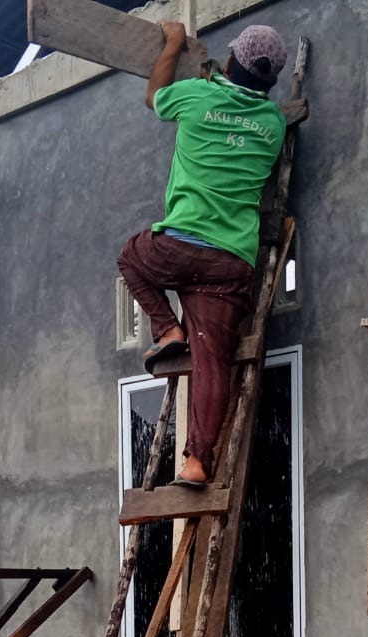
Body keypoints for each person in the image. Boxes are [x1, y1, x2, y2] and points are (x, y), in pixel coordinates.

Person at [117, 22, 289, 487]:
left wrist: (173, 44)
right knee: (214, 360)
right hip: (231, 261)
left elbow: (154, 96)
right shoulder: (273, 125)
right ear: (270, 81)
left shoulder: (196, 95)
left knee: (132, 257)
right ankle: (196, 462)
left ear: (229, 63)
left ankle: (167, 328)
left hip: (180, 245)